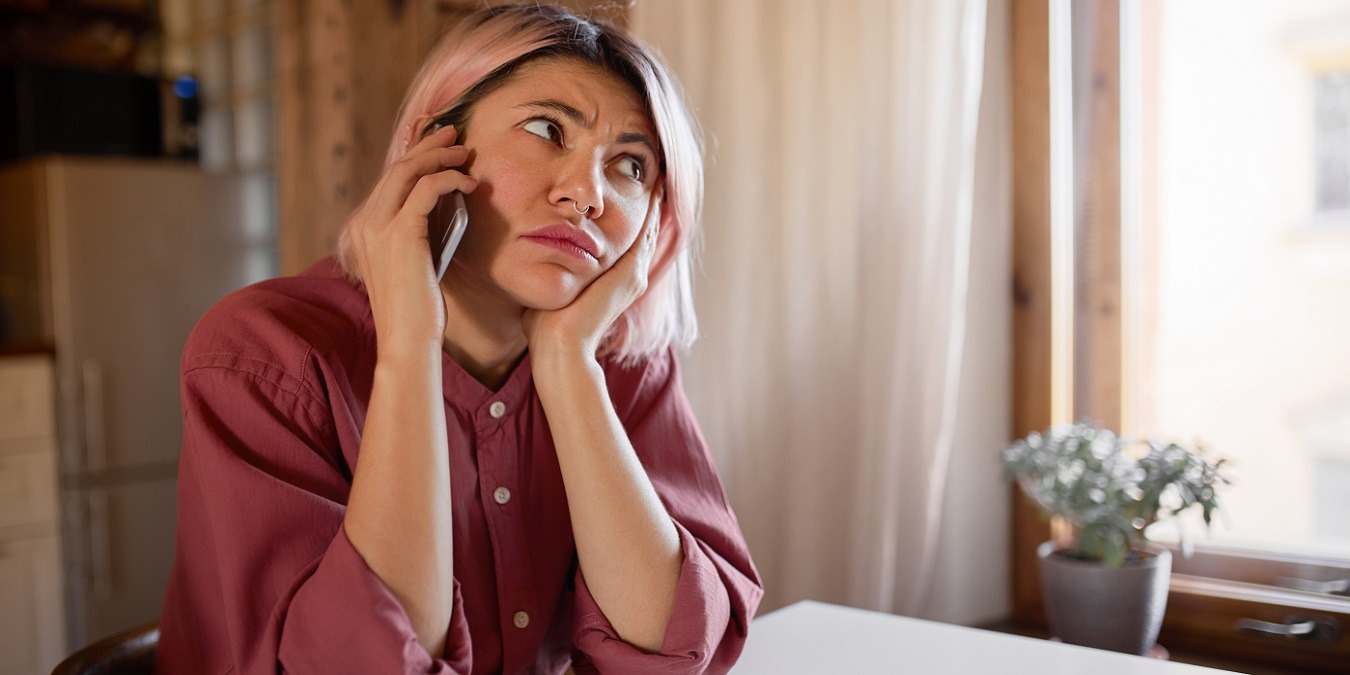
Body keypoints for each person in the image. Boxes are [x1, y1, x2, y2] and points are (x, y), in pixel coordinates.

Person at [155, 4, 762, 674]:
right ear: (433, 146)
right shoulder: (261, 356)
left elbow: (675, 647)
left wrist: (567, 366)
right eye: (548, 129)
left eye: (630, 166)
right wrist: (410, 344)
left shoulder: (622, 363)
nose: (588, 194)